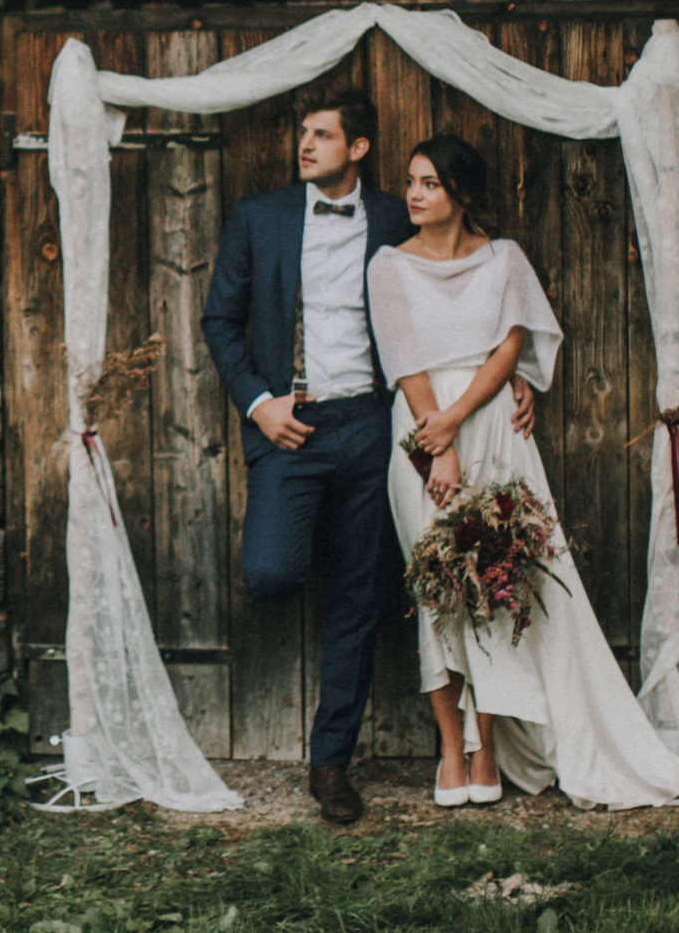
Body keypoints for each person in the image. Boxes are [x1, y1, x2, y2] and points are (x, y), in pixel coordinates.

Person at [197, 89, 534, 823]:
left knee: (358, 598)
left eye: (322, 135)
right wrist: (260, 401)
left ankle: (331, 764)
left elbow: (473, 293)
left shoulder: (394, 211)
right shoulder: (260, 216)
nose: (305, 145)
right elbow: (219, 319)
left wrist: (526, 378)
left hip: (376, 427)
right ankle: (331, 548)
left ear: (358, 147)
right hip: (293, 423)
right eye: (302, 135)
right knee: (273, 571)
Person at [373, 132, 679, 810]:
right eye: (411, 180)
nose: (413, 193)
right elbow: (404, 356)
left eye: (429, 183)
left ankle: (487, 746)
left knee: (500, 578)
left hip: (494, 424)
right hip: (420, 426)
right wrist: (437, 439)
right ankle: (450, 744)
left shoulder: (504, 259)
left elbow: (511, 344)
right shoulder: (388, 264)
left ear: (460, 194)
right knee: (439, 584)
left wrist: (468, 413)